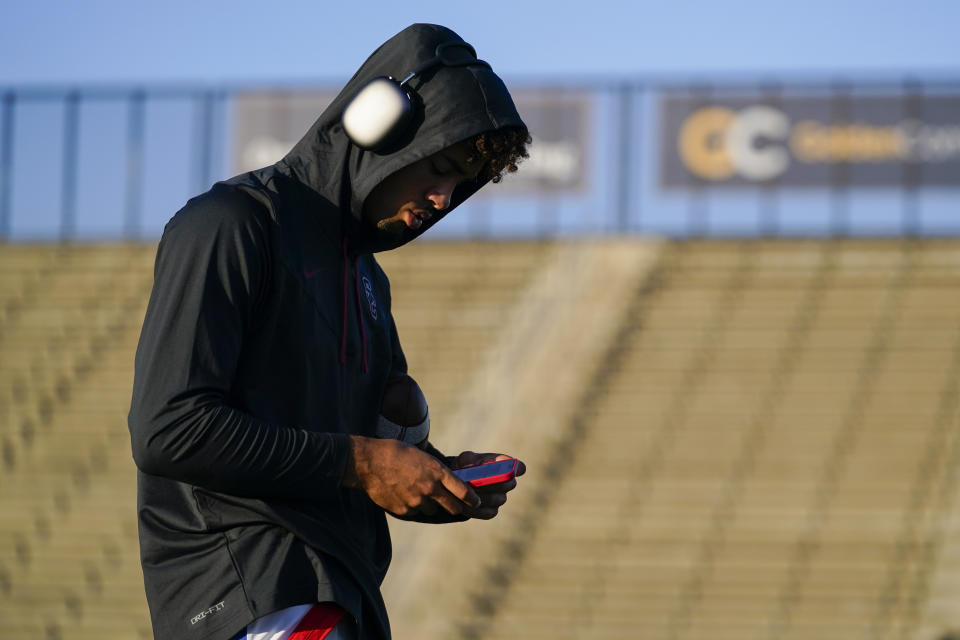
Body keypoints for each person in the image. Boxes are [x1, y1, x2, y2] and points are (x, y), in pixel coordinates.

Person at [127, 23, 530, 640]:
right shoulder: (229, 225)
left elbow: (353, 458)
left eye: (461, 184)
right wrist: (365, 462)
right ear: (379, 123)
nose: (444, 198)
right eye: (440, 167)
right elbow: (170, 430)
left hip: (336, 595)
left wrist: (434, 476)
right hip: (255, 599)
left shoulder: (367, 278)